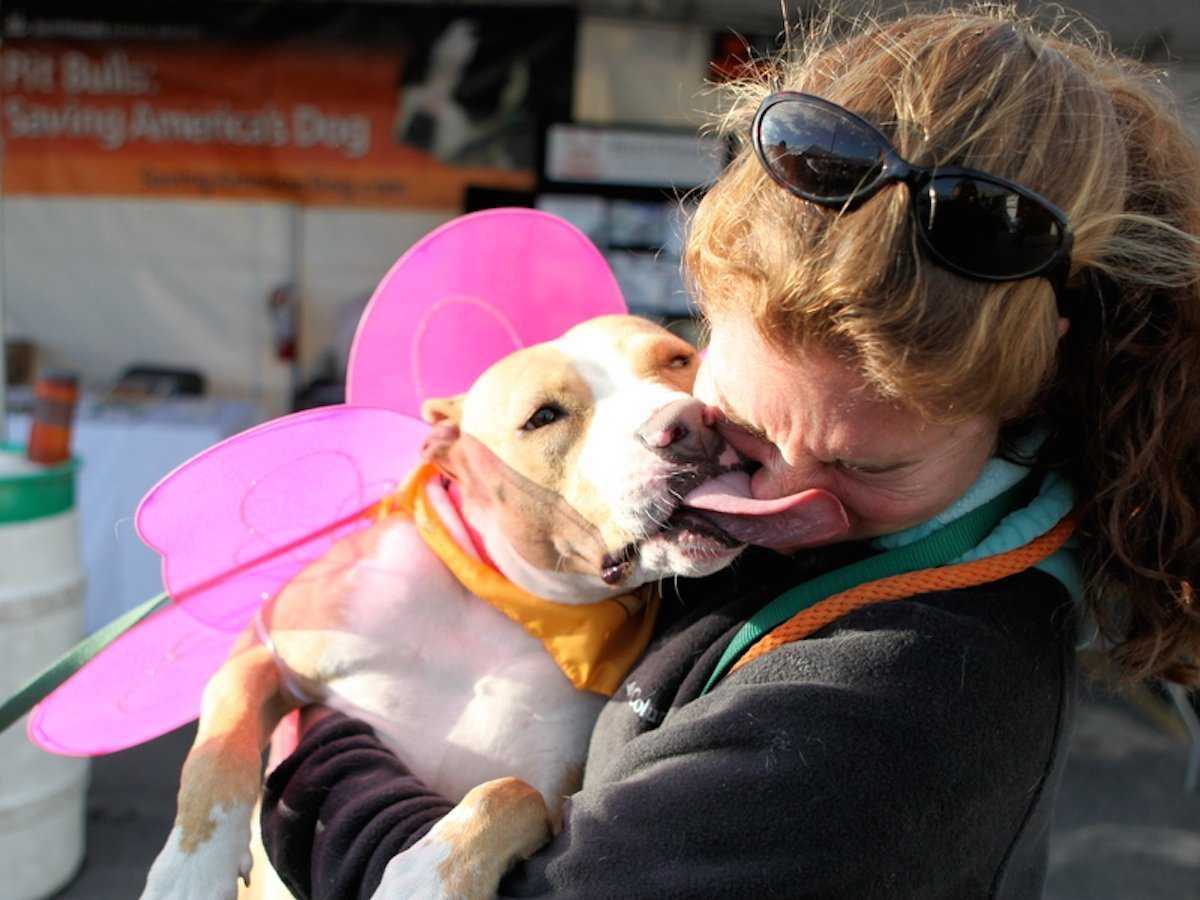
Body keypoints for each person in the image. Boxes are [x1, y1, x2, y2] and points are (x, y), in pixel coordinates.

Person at [259, 6, 1200, 897]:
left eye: (866, 468)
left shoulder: (914, 695)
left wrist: (311, 746)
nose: (776, 501)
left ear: (1030, 394)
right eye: (739, 426)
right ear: (698, 312)